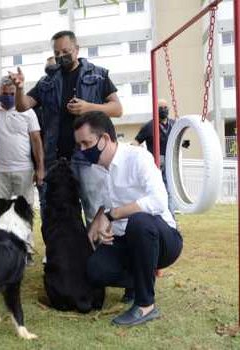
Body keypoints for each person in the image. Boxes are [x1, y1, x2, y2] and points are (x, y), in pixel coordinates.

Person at [73, 111, 183, 326]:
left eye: (86, 143)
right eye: (80, 145)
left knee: (139, 222)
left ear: (104, 139)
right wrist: (98, 227)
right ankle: (138, 280)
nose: (82, 151)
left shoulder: (137, 157)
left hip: (162, 239)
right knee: (95, 270)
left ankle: (145, 305)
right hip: (126, 240)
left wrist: (112, 215)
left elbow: (159, 201)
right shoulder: (97, 170)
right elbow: (104, 207)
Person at [9, 30, 122, 227]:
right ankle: (61, 254)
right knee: (56, 212)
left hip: (89, 156)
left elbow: (117, 109)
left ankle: (97, 252)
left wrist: (88, 107)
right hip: (56, 158)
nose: (61, 56)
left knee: (94, 209)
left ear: (76, 49)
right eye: (57, 52)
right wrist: (19, 88)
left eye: (65, 51)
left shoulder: (98, 75)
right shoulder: (47, 81)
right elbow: (23, 105)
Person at [0, 76, 44, 207]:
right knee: (1, 212)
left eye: (12, 94)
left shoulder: (28, 112)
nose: (9, 97)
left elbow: (36, 141)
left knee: (25, 212)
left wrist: (40, 168)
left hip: (24, 169)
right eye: (5, 94)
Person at [132, 99, 189, 215]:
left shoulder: (174, 124)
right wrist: (135, 150)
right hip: (155, 162)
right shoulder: (149, 126)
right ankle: (163, 214)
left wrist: (184, 143)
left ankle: (170, 215)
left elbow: (176, 140)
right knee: (158, 189)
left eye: (165, 107)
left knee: (171, 189)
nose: (164, 110)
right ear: (155, 110)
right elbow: (136, 141)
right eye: (161, 108)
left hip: (171, 161)